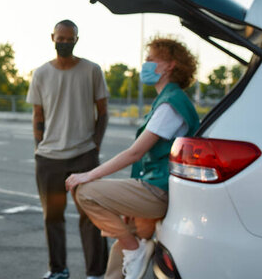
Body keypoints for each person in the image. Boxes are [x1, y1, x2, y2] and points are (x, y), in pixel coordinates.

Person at [65, 37, 200, 279]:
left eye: (151, 60)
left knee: (85, 192)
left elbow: (135, 152)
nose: (145, 64)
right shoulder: (167, 100)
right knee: (125, 243)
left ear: (170, 65)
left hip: (158, 190)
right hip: (155, 186)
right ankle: (130, 252)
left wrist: (88, 174)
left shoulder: (170, 105)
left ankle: (135, 249)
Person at [26, 19, 110, 279]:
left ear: (76, 39)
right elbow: (37, 114)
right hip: (49, 158)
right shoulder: (41, 73)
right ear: (52, 38)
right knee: (53, 217)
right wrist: (39, 146)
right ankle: (58, 269)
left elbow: (103, 112)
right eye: (60, 39)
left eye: (69, 38)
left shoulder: (92, 70)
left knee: (91, 216)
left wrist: (95, 145)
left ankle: (96, 272)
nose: (64, 43)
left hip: (84, 155)